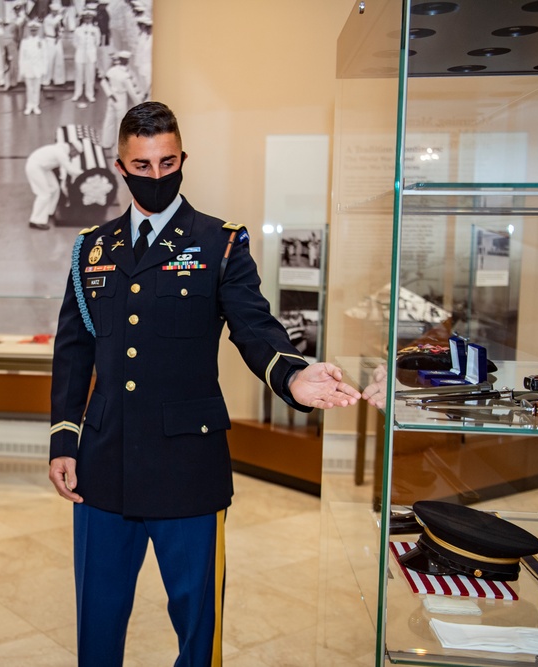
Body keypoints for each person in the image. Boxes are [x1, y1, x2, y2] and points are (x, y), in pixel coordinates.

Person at [48, 101, 361, 666]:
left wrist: (294, 375)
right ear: (120, 166)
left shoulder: (219, 243)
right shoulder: (92, 249)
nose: (158, 177)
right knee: (97, 620)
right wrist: (63, 441)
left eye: (169, 163)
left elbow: (255, 330)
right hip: (103, 460)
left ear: (182, 158)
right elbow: (74, 353)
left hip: (186, 466)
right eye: (143, 166)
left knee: (199, 627)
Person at [25, 137, 84, 229]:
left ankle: (49, 212)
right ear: (73, 148)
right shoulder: (61, 152)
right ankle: (35, 220)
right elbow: (70, 169)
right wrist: (85, 173)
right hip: (35, 167)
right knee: (44, 194)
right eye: (76, 153)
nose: (75, 156)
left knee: (55, 188)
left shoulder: (62, 150)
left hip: (44, 169)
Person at [99, 51, 143, 149]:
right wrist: (141, 104)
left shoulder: (112, 71)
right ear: (127, 61)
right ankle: (120, 149)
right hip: (120, 98)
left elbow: (103, 81)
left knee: (109, 121)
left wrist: (109, 94)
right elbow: (132, 93)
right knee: (121, 123)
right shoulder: (125, 76)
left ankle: (106, 143)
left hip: (111, 98)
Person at [19, 19, 48, 115]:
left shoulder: (42, 42)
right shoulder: (25, 42)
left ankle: (35, 105)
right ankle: (29, 105)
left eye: (35, 30)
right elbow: (22, 57)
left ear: (38, 30)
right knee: (29, 88)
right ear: (29, 30)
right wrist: (22, 70)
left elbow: (44, 56)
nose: (33, 32)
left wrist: (44, 69)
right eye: (32, 30)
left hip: (38, 68)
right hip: (28, 68)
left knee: (36, 88)